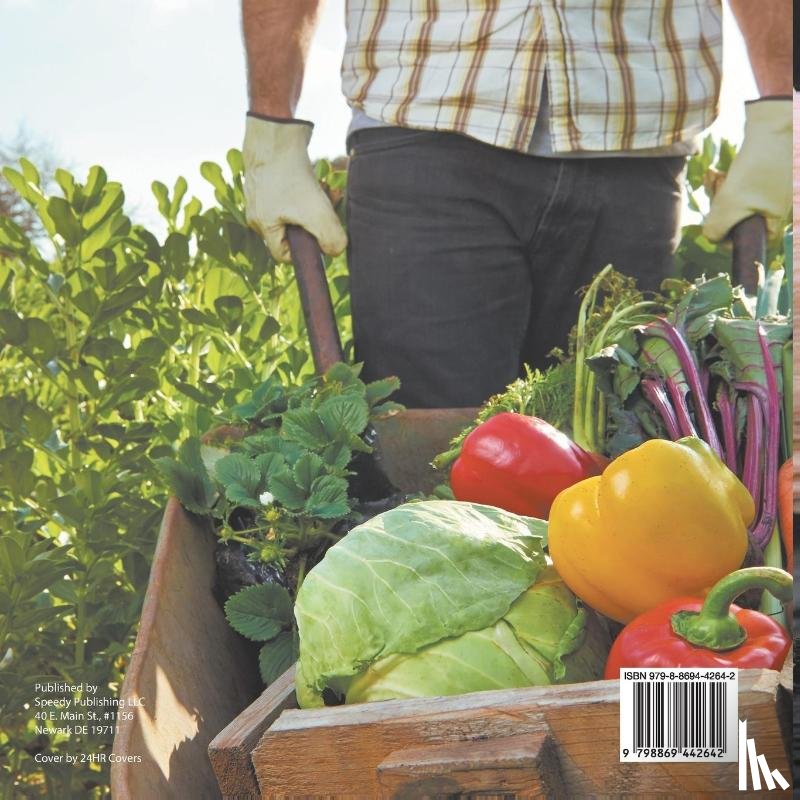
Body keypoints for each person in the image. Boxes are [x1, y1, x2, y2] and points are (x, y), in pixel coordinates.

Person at [240, 1, 790, 408]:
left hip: (633, 129)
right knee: (432, 473)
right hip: (426, 122)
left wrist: (778, 108)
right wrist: (272, 124)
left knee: (614, 447)